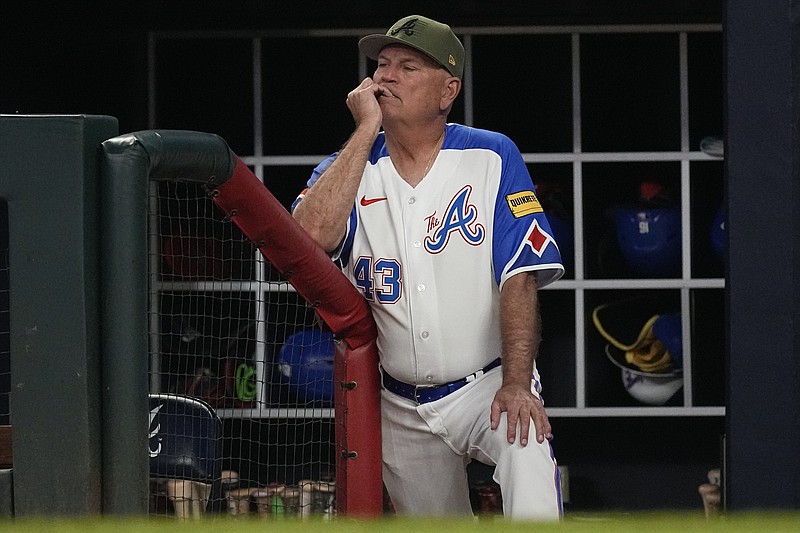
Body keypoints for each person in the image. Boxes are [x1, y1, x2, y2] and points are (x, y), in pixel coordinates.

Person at [292, 14, 565, 520]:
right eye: (382, 65)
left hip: (487, 382)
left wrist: (518, 383)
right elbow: (305, 240)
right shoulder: (349, 165)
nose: (385, 77)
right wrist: (365, 130)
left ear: (447, 90)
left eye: (408, 66)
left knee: (527, 462)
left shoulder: (490, 154)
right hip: (398, 403)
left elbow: (521, 276)